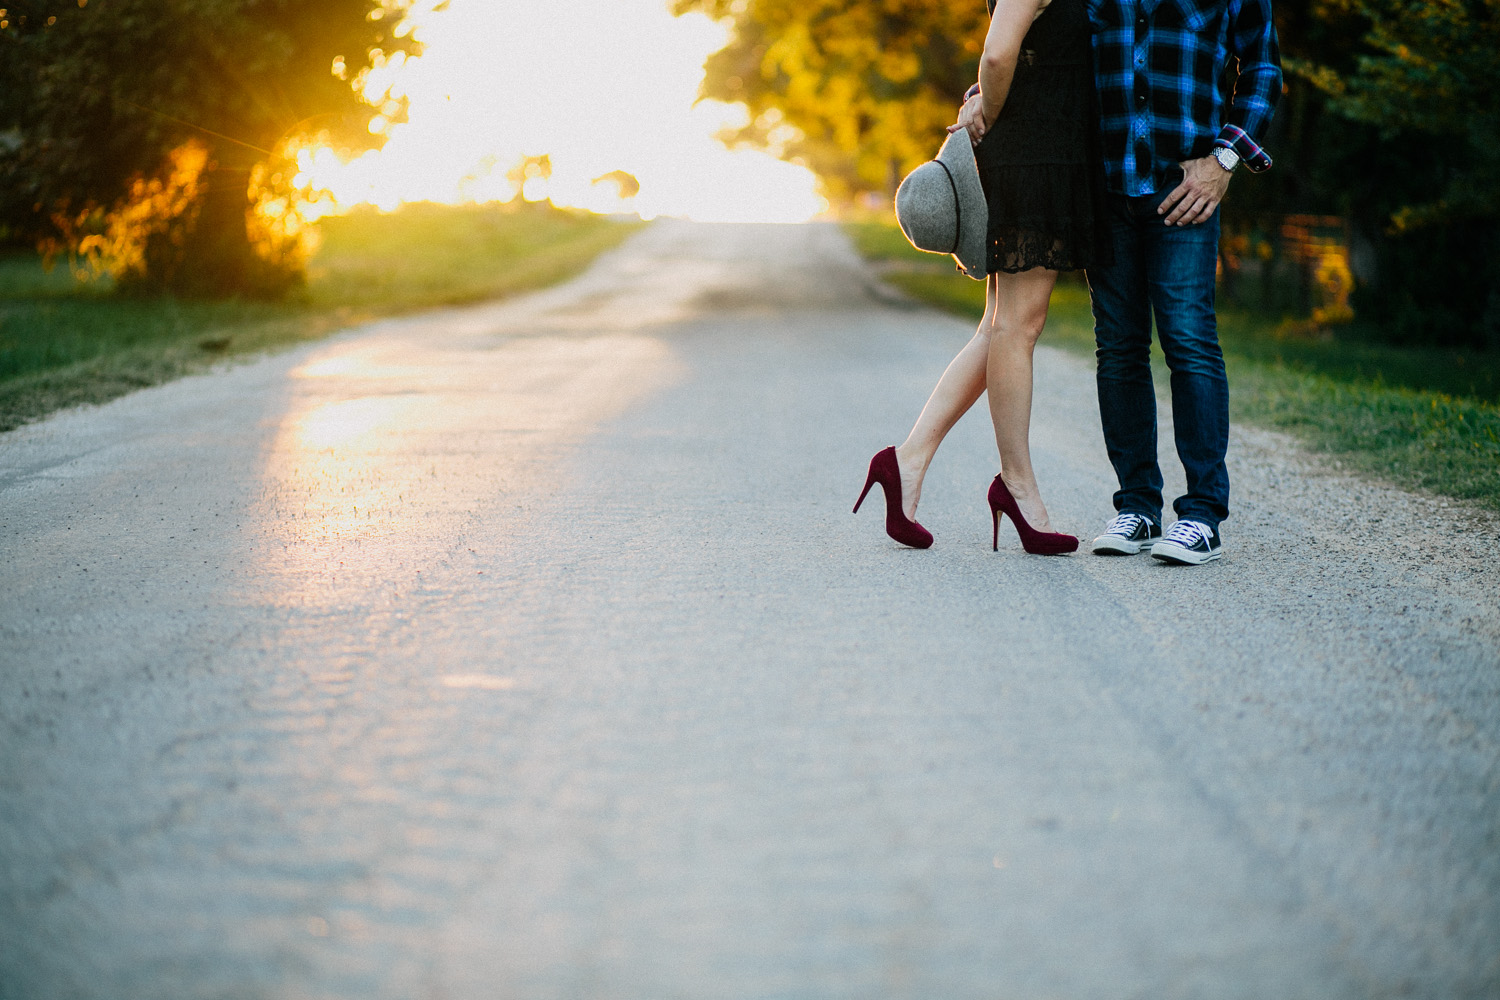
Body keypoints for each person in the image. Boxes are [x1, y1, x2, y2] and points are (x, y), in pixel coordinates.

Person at [854, 0, 1110, 555]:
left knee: (999, 325)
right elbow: (997, 56)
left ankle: (907, 461)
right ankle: (1016, 484)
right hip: (1032, 156)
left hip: (1046, 151)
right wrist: (989, 112)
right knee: (1019, 325)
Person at [1083, 0, 1281, 565]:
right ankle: (1138, 507)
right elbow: (1050, 55)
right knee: (1117, 348)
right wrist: (985, 94)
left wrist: (1224, 159)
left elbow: (1263, 66)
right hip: (1107, 184)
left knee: (1188, 341)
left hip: (1187, 188)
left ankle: (1201, 516)